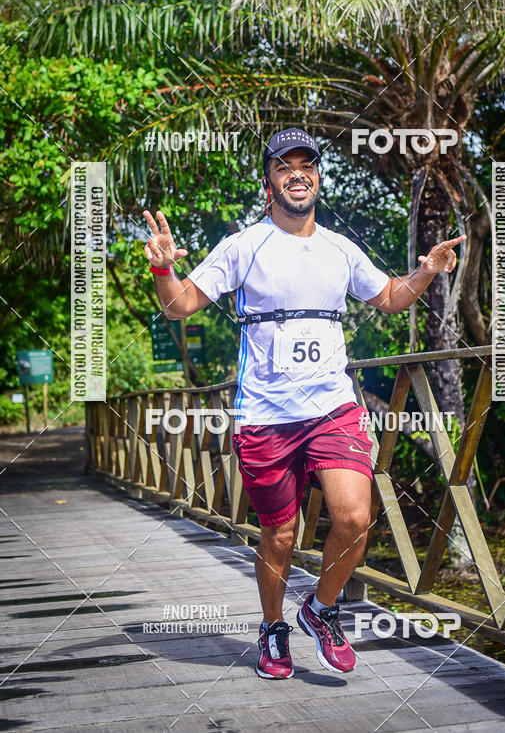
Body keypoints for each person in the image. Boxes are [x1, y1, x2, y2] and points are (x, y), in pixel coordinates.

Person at [142, 127, 465, 680]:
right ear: (268, 179)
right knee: (281, 534)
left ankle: (320, 608)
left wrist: (427, 271)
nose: (297, 173)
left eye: (307, 164)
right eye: (284, 165)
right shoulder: (244, 246)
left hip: (332, 408)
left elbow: (389, 298)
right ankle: (272, 627)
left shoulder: (339, 248)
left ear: (317, 176)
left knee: (355, 516)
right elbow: (179, 307)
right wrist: (163, 267)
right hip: (266, 417)